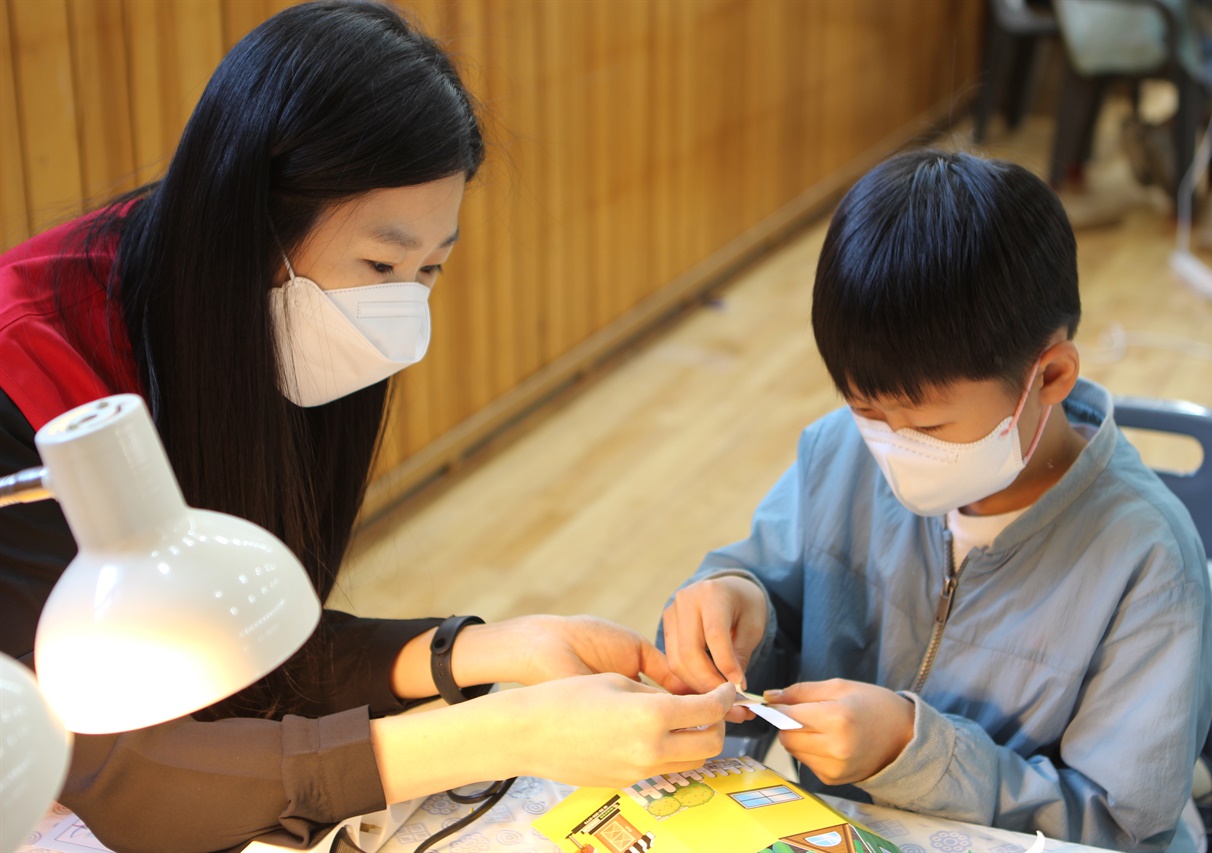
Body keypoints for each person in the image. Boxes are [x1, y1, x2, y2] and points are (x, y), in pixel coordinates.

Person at [0, 4, 734, 852]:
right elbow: (121, 775)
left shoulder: (258, 320)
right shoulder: (34, 381)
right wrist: (503, 733)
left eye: (430, 269)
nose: (401, 313)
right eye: (381, 266)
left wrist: (481, 650)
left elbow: (242, 649)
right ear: (254, 230)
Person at [659, 149, 1212, 852]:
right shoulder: (840, 454)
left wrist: (912, 750)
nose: (894, 447)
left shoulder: (1147, 562)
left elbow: (1119, 829)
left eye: (928, 425)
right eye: (868, 409)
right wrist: (734, 604)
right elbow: (759, 617)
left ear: (1049, 375)